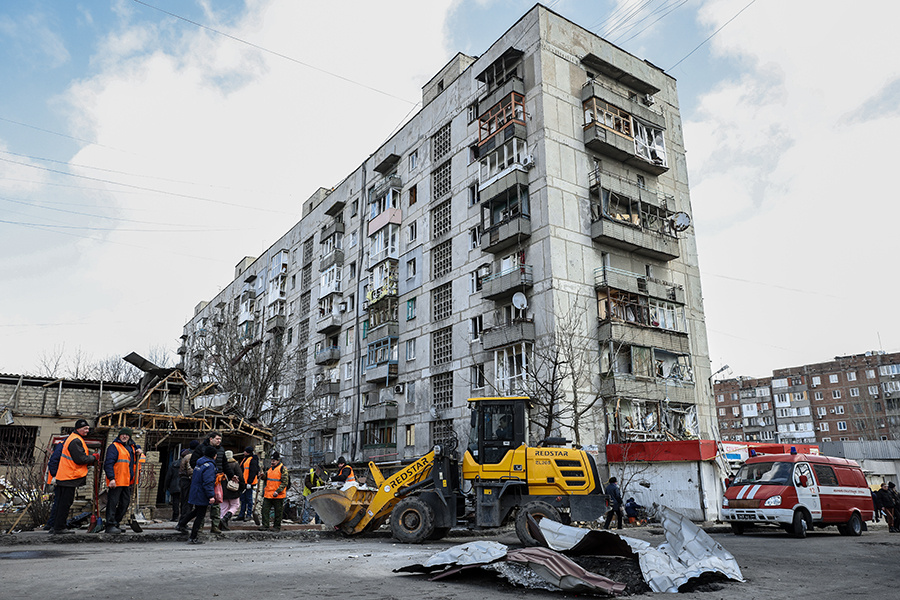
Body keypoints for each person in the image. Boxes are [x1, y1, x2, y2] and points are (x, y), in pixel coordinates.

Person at [51, 419, 99, 535]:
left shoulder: (72, 438)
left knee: (61, 503)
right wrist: (93, 458)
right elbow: (80, 459)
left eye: (88, 428)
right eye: (85, 428)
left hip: (65, 476)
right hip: (69, 476)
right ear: (78, 429)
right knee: (65, 503)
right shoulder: (75, 441)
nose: (87, 430)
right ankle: (59, 528)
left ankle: (56, 526)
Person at [175, 445, 218, 544]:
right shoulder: (210, 466)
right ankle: (193, 537)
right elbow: (208, 482)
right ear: (214, 456)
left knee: (196, 511)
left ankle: (181, 524)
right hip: (202, 493)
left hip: (195, 491)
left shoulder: (200, 463)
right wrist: (211, 496)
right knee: (200, 515)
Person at [103, 427, 140, 534]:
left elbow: (135, 448)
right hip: (117, 480)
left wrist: (139, 449)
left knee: (125, 503)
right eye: (123, 435)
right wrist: (111, 479)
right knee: (112, 503)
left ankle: (116, 523)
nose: (125, 437)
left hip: (127, 481)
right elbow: (108, 464)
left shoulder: (130, 447)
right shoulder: (114, 447)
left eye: (127, 435)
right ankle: (109, 525)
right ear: (119, 436)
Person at [190, 432, 225, 533]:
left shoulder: (221, 450)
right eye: (217, 439)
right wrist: (202, 473)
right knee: (202, 506)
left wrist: (231, 476)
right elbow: (193, 462)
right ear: (211, 439)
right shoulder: (201, 449)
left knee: (216, 505)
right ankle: (199, 528)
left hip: (217, 480)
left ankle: (215, 526)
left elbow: (224, 463)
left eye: (220, 439)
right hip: (206, 481)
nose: (219, 441)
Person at [260, 451, 288, 532]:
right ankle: (265, 525)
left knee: (278, 512)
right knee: (265, 510)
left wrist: (278, 491)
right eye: (271, 460)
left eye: (274, 461)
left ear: (278, 461)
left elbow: (284, 482)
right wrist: (262, 476)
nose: (272, 462)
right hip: (268, 494)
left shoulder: (283, 469)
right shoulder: (270, 469)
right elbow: (267, 478)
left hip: (278, 495)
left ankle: (276, 526)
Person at [42, 439, 64, 531]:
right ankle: (52, 524)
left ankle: (51, 523)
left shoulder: (61, 445)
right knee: (59, 501)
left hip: (58, 478)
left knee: (58, 501)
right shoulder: (62, 445)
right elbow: (54, 461)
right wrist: (55, 476)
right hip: (59, 479)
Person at [220, 450, 244, 529]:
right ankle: (226, 518)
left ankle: (222, 524)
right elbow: (240, 476)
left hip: (222, 488)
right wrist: (242, 487)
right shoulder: (235, 464)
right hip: (233, 488)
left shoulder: (221, 465)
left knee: (224, 507)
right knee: (235, 505)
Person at [236, 446, 259, 522]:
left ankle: (248, 514)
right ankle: (241, 514)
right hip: (244, 483)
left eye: (245, 451)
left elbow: (253, 472)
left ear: (248, 452)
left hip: (248, 483)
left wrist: (249, 482)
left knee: (249, 499)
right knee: (243, 499)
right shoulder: (246, 459)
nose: (244, 452)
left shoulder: (252, 460)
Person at [179, 441, 199, 519]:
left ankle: (182, 520)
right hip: (188, 480)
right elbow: (190, 470)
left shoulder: (186, 455)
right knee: (188, 502)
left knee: (184, 501)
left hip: (184, 480)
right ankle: (184, 521)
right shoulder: (191, 456)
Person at [165, 452, 182, 522]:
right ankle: (183, 517)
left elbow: (168, 476)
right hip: (184, 485)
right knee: (184, 502)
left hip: (174, 485)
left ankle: (175, 516)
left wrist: (166, 486)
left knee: (175, 501)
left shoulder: (174, 464)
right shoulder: (188, 464)